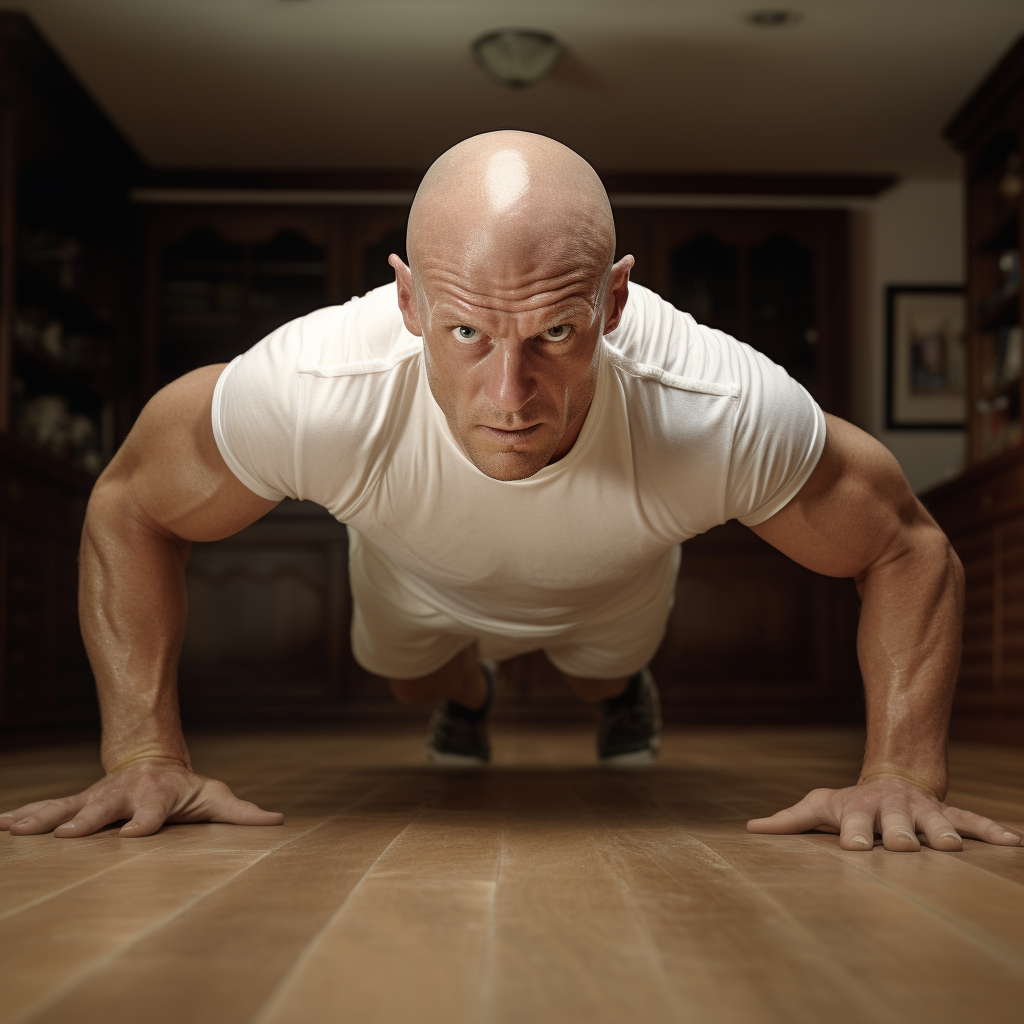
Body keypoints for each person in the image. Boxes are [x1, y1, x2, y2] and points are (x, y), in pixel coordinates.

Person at [1, 131, 1019, 854]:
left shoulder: (711, 403)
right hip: (410, 576)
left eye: (556, 334)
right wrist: (141, 753)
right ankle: (468, 696)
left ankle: (616, 692)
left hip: (607, 587)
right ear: (406, 300)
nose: (509, 395)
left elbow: (905, 546)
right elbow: (130, 502)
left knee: (592, 678)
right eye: (465, 333)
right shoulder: (312, 389)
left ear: (613, 300)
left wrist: (900, 776)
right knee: (417, 680)